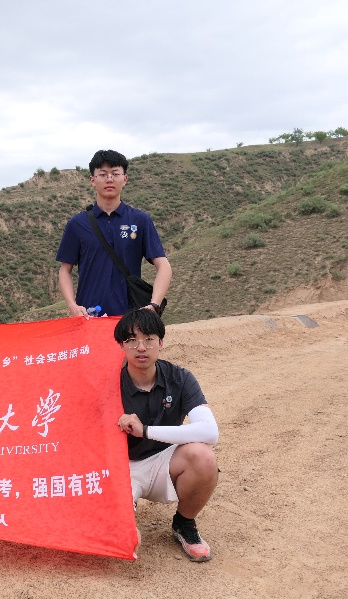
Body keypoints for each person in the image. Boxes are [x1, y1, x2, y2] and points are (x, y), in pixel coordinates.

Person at [114, 308, 219, 562]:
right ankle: (120, 515)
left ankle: (184, 523)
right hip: (119, 468)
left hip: (164, 462)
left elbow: (209, 431)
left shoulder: (179, 378)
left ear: (160, 343)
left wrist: (146, 431)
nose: (141, 347)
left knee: (203, 457)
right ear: (121, 346)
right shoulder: (109, 383)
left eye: (149, 339)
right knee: (124, 541)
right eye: (132, 340)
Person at [56, 149, 172, 317]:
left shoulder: (140, 220)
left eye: (115, 174)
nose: (109, 179)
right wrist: (72, 305)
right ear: (92, 180)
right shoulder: (77, 224)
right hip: (89, 317)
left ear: (125, 179)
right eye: (103, 174)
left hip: (130, 319)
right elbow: (65, 270)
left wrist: (154, 304)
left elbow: (164, 266)